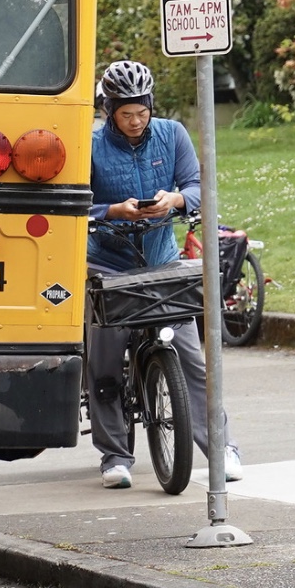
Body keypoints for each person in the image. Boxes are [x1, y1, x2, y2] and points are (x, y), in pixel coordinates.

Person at [85, 60, 240, 490]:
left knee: (191, 356)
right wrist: (111, 211)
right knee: (105, 361)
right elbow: (76, 199)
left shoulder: (172, 134)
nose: (135, 122)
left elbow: (196, 186)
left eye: (141, 112)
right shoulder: (91, 144)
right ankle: (115, 455)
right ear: (108, 110)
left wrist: (174, 200)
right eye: (125, 114)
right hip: (107, 261)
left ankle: (223, 447)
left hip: (161, 259)